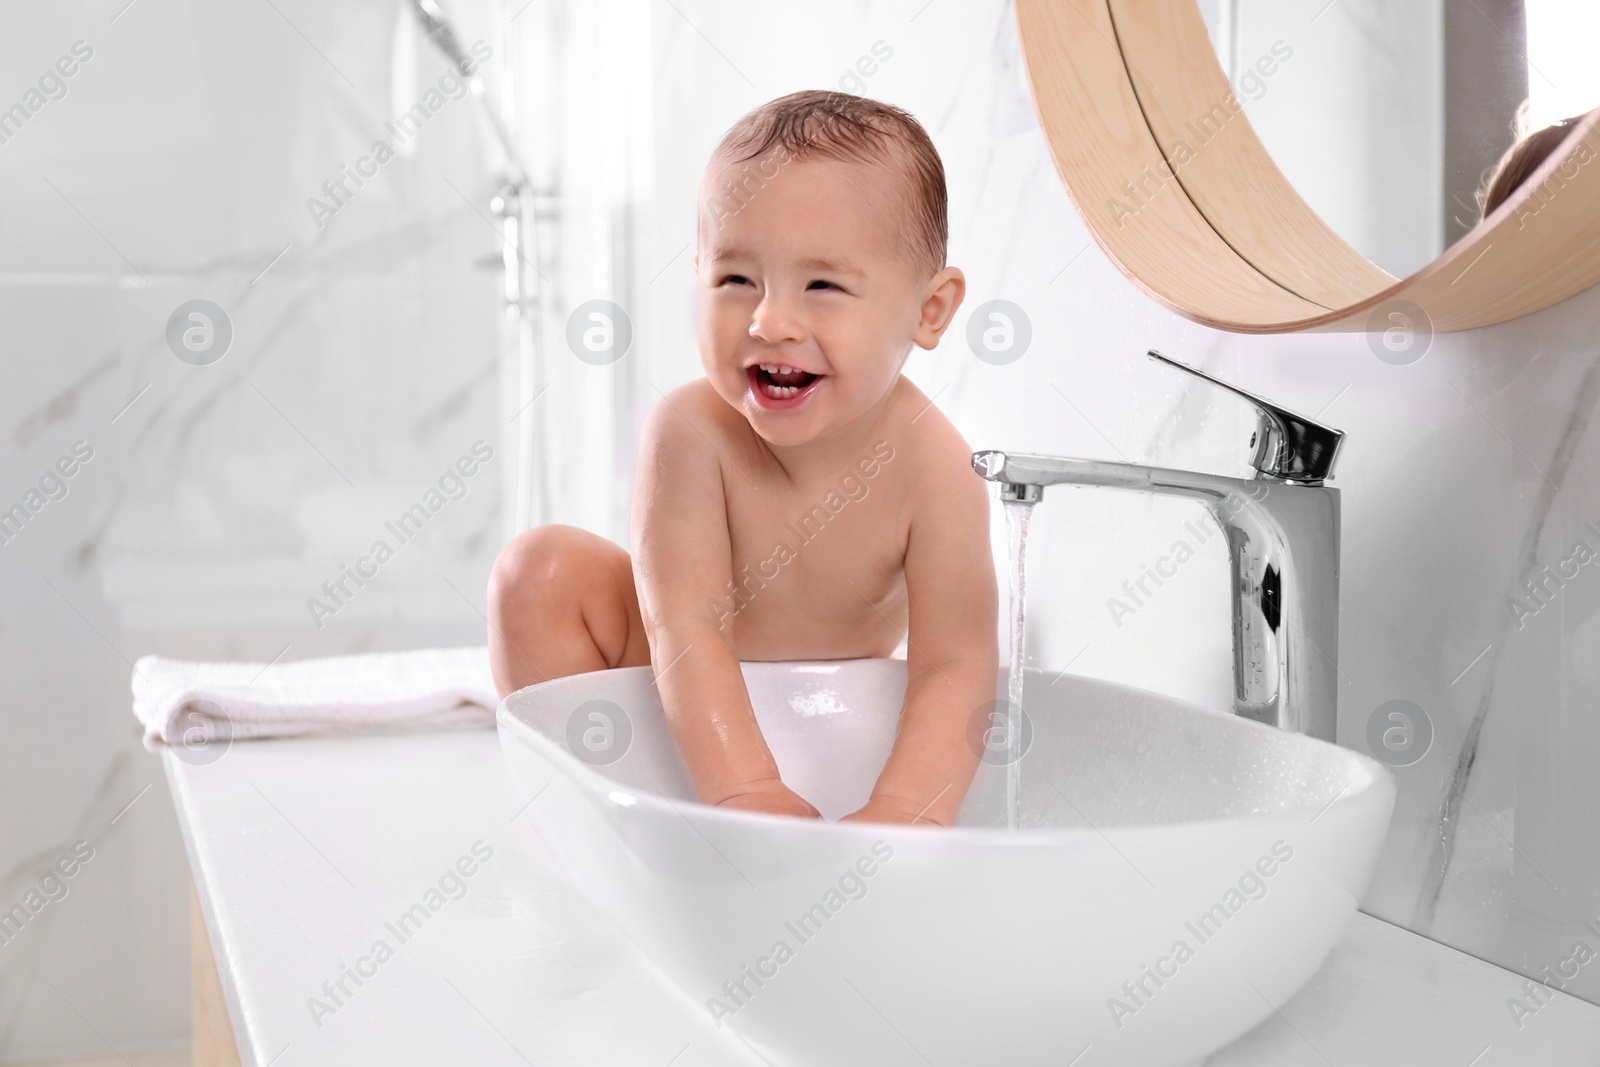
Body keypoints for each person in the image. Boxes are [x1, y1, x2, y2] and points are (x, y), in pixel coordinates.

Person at [487, 90, 999, 826]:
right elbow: (684, 624)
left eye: (821, 285)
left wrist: (907, 808)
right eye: (735, 280)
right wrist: (743, 786)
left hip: (823, 710)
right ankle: (588, 819)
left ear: (930, 310)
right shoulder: (691, 432)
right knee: (536, 574)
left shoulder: (939, 468)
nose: (768, 321)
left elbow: (957, 665)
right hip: (665, 689)